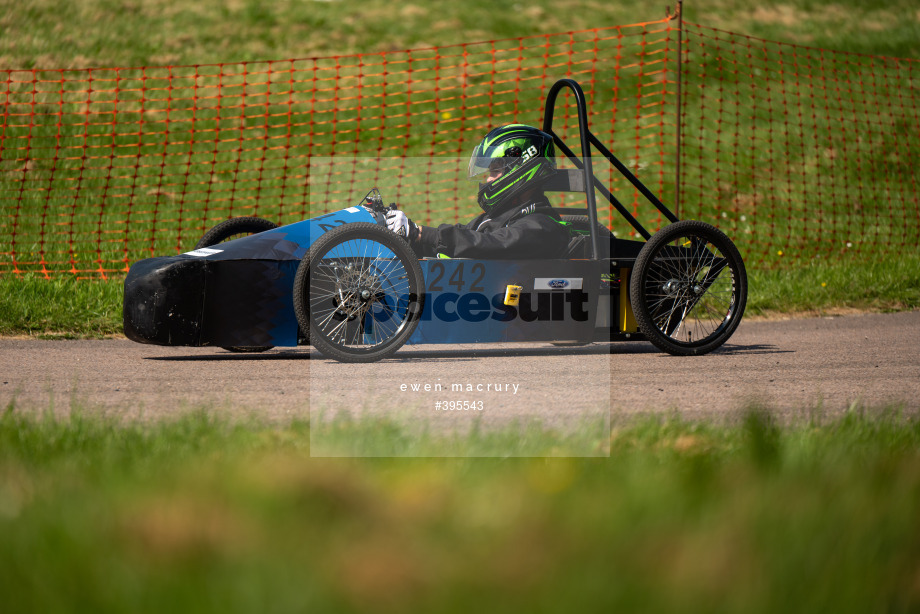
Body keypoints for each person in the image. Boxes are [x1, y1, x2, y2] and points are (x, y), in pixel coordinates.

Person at [384, 124, 571, 259]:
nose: (489, 180)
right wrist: (410, 237)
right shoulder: (498, 217)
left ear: (522, 170)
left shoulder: (540, 226)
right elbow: (461, 238)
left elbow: (487, 245)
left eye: (495, 171)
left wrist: (422, 232)